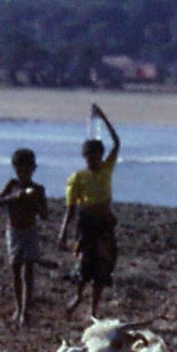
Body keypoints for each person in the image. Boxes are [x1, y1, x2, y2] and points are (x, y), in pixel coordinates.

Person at [58, 103, 121, 317]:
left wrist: (103, 118)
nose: (93, 160)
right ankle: (78, 296)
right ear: (84, 157)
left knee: (103, 266)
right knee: (85, 265)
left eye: (96, 156)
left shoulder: (106, 169)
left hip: (104, 222)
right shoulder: (78, 178)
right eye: (90, 157)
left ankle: (94, 309)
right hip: (86, 224)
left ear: (100, 156)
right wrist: (63, 232)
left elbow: (117, 142)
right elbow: (71, 208)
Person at [0, 148, 50, 325]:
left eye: (26, 170)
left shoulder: (38, 189)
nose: (23, 174)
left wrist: (34, 202)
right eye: (20, 170)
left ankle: (25, 310)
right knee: (16, 268)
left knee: (28, 270)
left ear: (33, 169)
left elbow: (45, 214)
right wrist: (13, 197)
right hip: (14, 231)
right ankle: (18, 307)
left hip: (30, 231)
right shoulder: (12, 185)